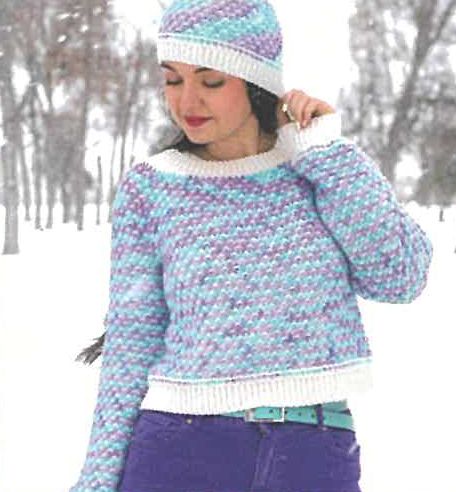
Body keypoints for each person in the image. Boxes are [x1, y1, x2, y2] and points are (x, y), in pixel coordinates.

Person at [69, 1, 433, 491]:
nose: (187, 100)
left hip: (313, 453)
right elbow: (132, 342)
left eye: (211, 80)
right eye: (173, 79)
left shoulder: (316, 168)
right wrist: (97, 479)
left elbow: (401, 276)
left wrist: (325, 149)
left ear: (256, 79)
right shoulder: (151, 188)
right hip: (178, 449)